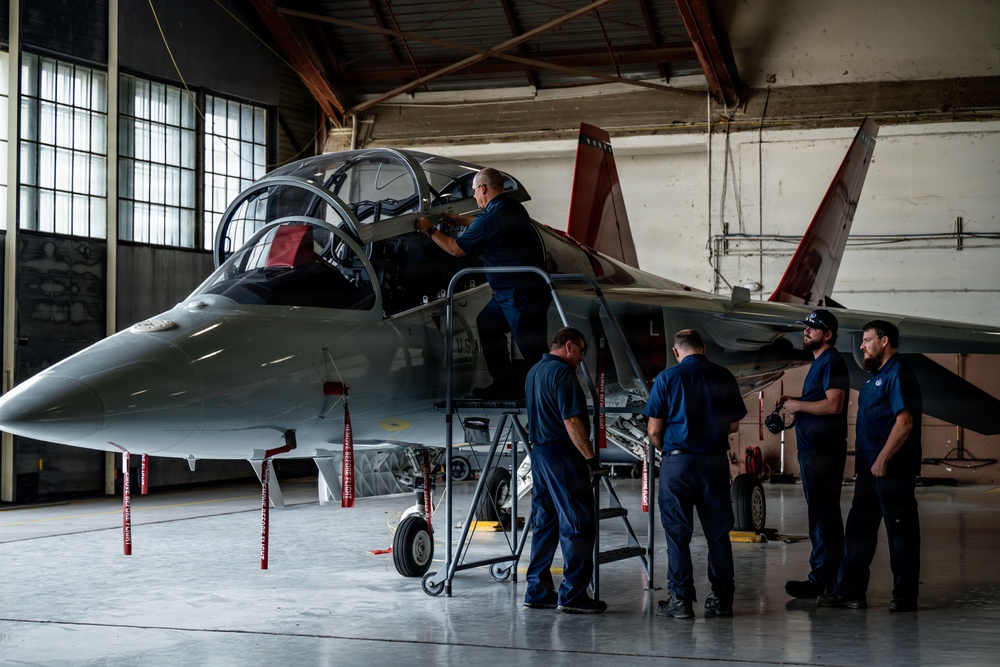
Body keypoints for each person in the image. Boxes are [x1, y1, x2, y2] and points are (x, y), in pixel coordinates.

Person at [415, 167, 549, 398]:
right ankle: (505, 383)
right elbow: (487, 225)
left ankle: (551, 398)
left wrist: (429, 230)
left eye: (475, 191)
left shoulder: (489, 218)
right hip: (521, 291)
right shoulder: (512, 208)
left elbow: (456, 250)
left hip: (519, 296)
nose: (475, 196)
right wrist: (460, 220)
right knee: (487, 323)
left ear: (483, 188)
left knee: (534, 352)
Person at [818, 320, 922, 612]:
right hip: (869, 470)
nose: (862, 345)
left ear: (884, 341)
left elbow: (905, 423)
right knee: (859, 531)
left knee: (900, 535)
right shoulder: (876, 376)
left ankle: (904, 597)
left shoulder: (898, 374)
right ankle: (850, 592)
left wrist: (882, 459)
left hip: (891, 471)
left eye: (866, 340)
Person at [645, 329, 747, 619]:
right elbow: (735, 425)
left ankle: (681, 601)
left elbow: (654, 430)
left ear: (676, 352)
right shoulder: (724, 375)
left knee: (678, 534)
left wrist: (673, 449)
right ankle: (722, 600)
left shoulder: (667, 378)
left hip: (678, 463)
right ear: (703, 348)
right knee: (718, 534)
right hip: (715, 463)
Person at [523, 327, 606, 614]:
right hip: (562, 455)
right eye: (581, 351)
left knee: (544, 523)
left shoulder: (535, 371)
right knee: (578, 524)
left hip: (540, 454)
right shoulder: (563, 374)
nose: (581, 358)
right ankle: (573, 596)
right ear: (568, 346)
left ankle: (537, 591)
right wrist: (591, 458)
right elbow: (571, 421)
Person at [778, 309, 850, 599]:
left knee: (823, 515)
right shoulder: (820, 362)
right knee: (822, 514)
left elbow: (834, 405)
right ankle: (827, 578)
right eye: (805, 328)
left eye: (812, 328)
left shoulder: (831, 361)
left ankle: (822, 580)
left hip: (824, 451)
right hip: (815, 450)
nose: (805, 332)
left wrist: (797, 407)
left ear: (828, 334)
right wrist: (796, 401)